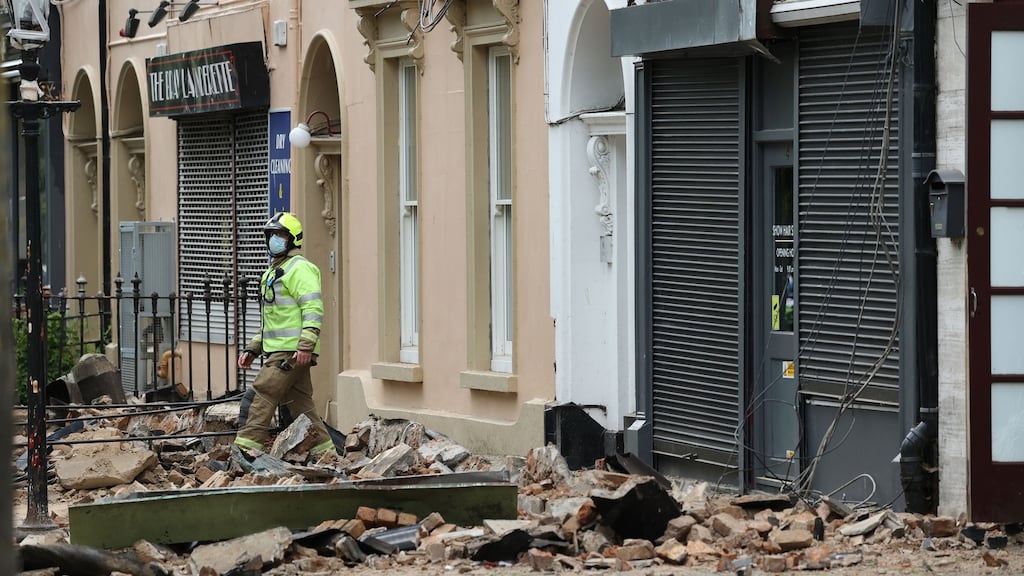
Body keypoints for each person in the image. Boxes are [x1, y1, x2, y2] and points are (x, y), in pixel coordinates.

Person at [234, 212, 335, 455]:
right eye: (271, 235)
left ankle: (244, 453)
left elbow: (313, 308)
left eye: (279, 235)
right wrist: (253, 348)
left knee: (261, 395)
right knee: (301, 406)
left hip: (290, 352)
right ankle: (327, 454)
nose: (274, 240)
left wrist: (305, 346)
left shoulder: (300, 269)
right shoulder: (273, 272)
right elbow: (273, 319)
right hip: (282, 350)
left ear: (292, 239)